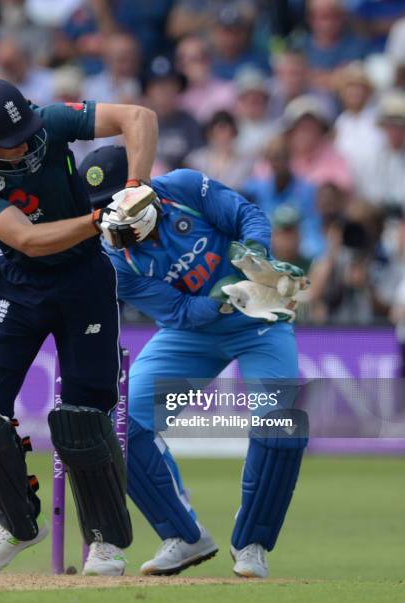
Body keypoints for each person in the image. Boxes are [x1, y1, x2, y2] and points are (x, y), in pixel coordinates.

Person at [0, 77, 158, 576]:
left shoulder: (47, 125)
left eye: (28, 132)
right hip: (20, 281)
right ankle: (18, 522)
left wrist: (134, 190)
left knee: (85, 413)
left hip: (84, 279)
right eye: (9, 141)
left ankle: (103, 540)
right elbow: (30, 239)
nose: (26, 144)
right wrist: (101, 219)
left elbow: (139, 117)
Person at [79, 145, 309, 578]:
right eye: (99, 208)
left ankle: (253, 545)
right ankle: (184, 537)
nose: (109, 216)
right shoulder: (115, 260)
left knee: (281, 427)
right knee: (121, 426)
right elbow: (180, 313)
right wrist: (223, 298)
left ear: (137, 188)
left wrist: (253, 260)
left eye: (113, 202)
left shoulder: (183, 187)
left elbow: (248, 216)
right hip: (191, 334)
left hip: (260, 322)